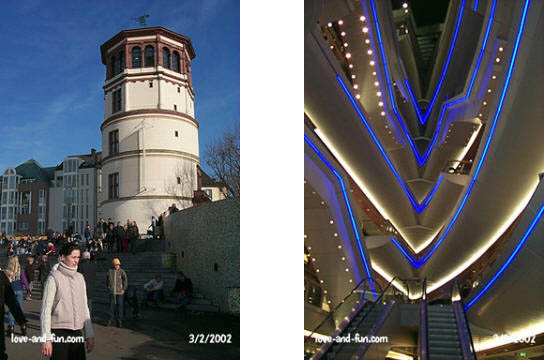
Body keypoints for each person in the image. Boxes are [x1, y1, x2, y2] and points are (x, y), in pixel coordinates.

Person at [40, 243, 95, 359]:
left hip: (77, 332)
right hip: (59, 332)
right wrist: (46, 339)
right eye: (73, 257)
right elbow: (46, 310)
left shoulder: (80, 278)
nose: (76, 261)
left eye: (78, 257)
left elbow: (84, 308)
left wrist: (89, 334)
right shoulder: (54, 278)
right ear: (63, 257)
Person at [0, 269, 27, 360]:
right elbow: (11, 301)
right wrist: (21, 320)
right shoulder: (1, 276)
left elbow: (11, 300)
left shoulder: (2, 276)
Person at [5, 256, 29, 336]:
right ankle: (23, 326)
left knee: (12, 309)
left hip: (11, 290)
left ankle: (11, 326)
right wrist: (27, 288)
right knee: (20, 308)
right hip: (19, 289)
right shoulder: (20, 269)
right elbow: (24, 279)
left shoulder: (7, 270)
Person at [106, 258, 127, 328]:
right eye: (116, 264)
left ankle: (119, 320)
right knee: (111, 306)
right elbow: (107, 280)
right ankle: (110, 319)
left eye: (118, 264)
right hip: (112, 291)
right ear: (113, 264)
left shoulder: (122, 271)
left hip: (119, 292)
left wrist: (124, 289)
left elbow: (125, 280)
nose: (117, 266)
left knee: (120, 306)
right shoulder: (110, 271)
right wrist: (108, 287)